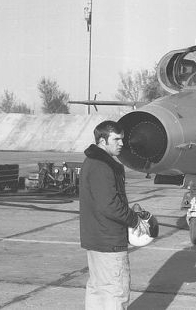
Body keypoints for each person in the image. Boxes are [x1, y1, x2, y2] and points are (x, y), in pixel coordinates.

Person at [79, 120, 149, 310]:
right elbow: (110, 205)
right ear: (102, 140)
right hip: (109, 241)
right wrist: (135, 220)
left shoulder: (93, 162)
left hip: (97, 239)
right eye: (116, 139)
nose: (121, 143)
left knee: (98, 290)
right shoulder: (102, 165)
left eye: (122, 139)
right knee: (115, 292)